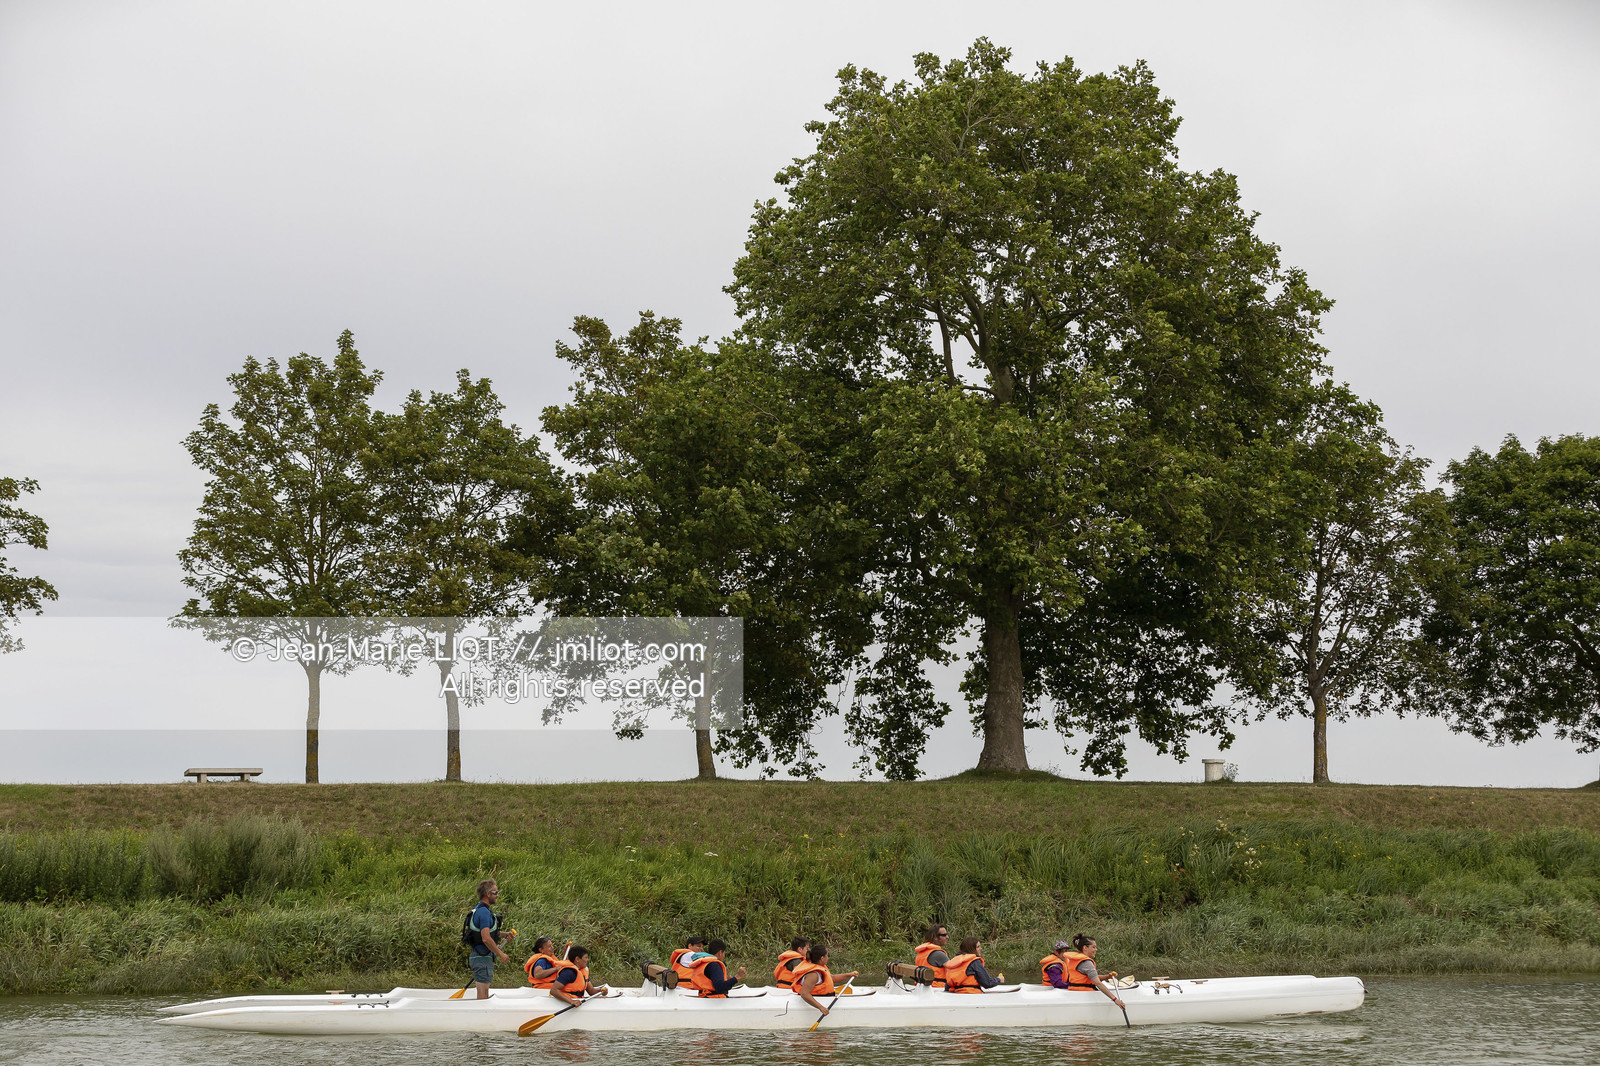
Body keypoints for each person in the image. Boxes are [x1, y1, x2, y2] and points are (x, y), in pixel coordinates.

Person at [465, 879, 515, 999]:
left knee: (485, 992)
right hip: (481, 957)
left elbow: (486, 933)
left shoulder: (481, 910)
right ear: (488, 894)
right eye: (496, 893)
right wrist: (501, 954)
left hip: (481, 957)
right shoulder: (483, 912)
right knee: (483, 994)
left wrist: (504, 934)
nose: (497, 896)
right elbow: (486, 939)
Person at [1049, 934, 1126, 1010]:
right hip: (1084, 994)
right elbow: (1098, 983)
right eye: (1094, 947)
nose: (1096, 949)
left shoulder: (1075, 959)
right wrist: (1115, 999)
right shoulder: (1086, 962)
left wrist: (1107, 976)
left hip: (1075, 992)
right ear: (1085, 948)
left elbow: (1090, 978)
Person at [788, 943, 837, 1016]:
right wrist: (821, 1007)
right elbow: (804, 994)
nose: (828, 957)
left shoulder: (819, 968)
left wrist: (849, 975)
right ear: (822, 958)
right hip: (817, 1001)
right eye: (827, 955)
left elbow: (832, 978)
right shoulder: (813, 974)